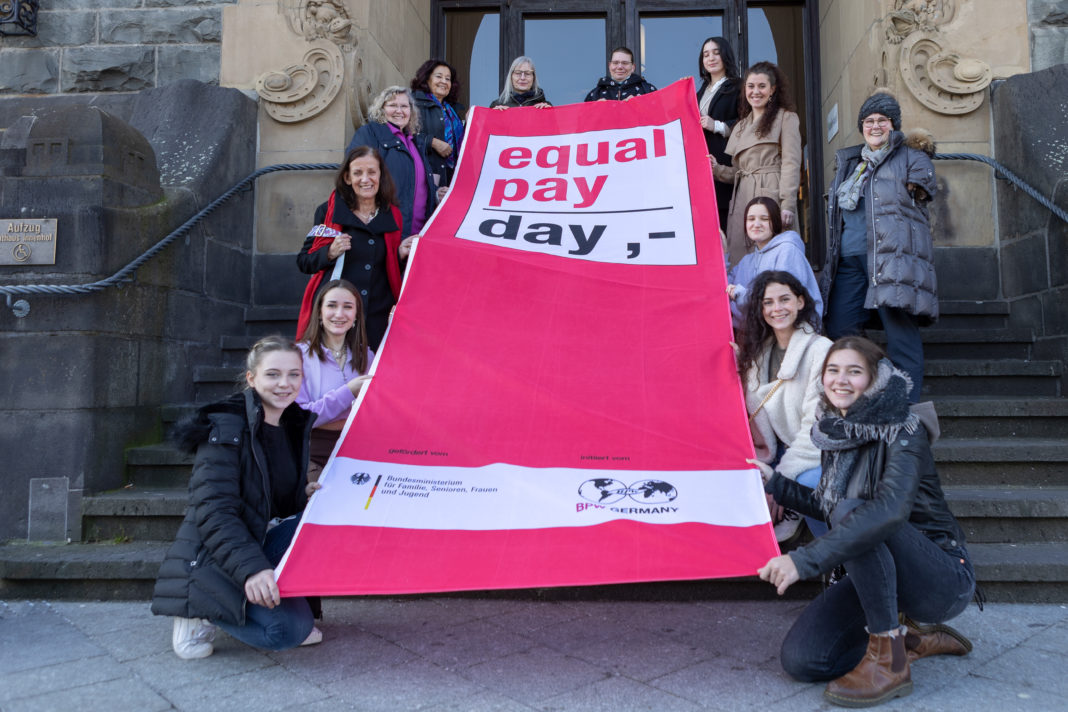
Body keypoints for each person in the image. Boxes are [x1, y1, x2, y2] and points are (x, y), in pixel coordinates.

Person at [755, 336, 974, 708]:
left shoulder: (904, 429)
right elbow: (830, 506)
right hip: (878, 570)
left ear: (875, 378)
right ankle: (914, 638)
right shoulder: (835, 433)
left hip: (940, 576)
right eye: (832, 371)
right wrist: (775, 484)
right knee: (804, 660)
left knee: (852, 513)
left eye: (854, 372)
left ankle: (889, 660)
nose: (840, 380)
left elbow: (888, 511)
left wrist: (802, 560)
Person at [151, 336, 323, 659]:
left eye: (294, 375)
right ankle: (201, 610)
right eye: (273, 374)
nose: (284, 384)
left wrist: (302, 494)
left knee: (321, 522)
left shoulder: (292, 424)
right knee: (286, 630)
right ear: (251, 378)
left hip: (258, 537)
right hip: (213, 556)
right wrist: (252, 570)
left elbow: (270, 498)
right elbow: (214, 512)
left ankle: (248, 599)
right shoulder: (226, 427)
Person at [820, 91, 938, 403]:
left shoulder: (911, 158)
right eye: (869, 121)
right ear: (861, 127)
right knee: (839, 327)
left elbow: (924, 192)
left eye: (882, 121)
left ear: (893, 126)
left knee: (901, 335)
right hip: (849, 260)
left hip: (890, 260)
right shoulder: (850, 163)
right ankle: (871, 388)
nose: (874, 126)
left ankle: (905, 406)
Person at [737, 271, 831, 542]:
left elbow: (816, 428)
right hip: (772, 453)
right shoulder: (756, 353)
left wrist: (783, 480)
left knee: (811, 484)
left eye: (784, 299)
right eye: (768, 302)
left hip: (811, 453)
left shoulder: (821, 350)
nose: (776, 309)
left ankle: (839, 559)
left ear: (801, 302)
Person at [296, 146, 407, 352]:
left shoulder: (394, 215)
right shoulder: (328, 212)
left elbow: (389, 268)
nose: (366, 179)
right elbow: (304, 261)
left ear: (380, 175)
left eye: (372, 172)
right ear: (347, 178)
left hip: (377, 319)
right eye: (358, 173)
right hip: (338, 317)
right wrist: (329, 252)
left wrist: (400, 255)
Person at [710, 61, 802, 270]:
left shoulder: (786, 118)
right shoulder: (740, 127)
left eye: (762, 86)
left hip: (771, 194)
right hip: (742, 199)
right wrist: (717, 169)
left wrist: (787, 204)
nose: (755, 92)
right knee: (741, 263)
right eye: (751, 86)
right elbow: (738, 172)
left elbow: (791, 163)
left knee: (774, 261)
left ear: (773, 90)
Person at [298, 279, 373, 479]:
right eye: (331, 305)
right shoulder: (299, 356)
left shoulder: (368, 356)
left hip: (358, 450)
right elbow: (300, 417)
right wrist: (348, 392)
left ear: (356, 315)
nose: (339, 314)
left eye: (347, 307)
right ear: (320, 312)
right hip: (313, 451)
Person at [346, 86, 439, 239]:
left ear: (411, 111)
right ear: (382, 109)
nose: (399, 111)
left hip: (418, 232)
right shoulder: (370, 133)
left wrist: (435, 191)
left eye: (404, 106)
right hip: (386, 232)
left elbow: (414, 181)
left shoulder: (415, 142)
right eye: (392, 105)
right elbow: (355, 176)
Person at [728, 197, 822, 325]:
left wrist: (741, 295)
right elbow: (720, 288)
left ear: (776, 222)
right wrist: (721, 254)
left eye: (764, 219)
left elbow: (781, 301)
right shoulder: (746, 261)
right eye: (751, 219)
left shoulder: (787, 250)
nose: (756, 224)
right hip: (757, 337)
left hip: (793, 333)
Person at [695, 36, 741, 234]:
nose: (711, 58)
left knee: (724, 221)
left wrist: (718, 126)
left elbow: (746, 122)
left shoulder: (738, 86)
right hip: (701, 165)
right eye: (706, 54)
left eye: (716, 52)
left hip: (724, 161)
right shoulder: (699, 92)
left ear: (725, 56)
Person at [410, 60, 466, 187]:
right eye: (439, 76)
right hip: (425, 176)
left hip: (451, 176)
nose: (444, 82)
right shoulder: (413, 103)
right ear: (427, 78)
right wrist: (432, 142)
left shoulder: (451, 110)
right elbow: (402, 135)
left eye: (448, 78)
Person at [584, 46, 657, 102]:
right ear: (610, 66)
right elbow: (582, 120)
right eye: (615, 63)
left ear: (633, 67)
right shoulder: (595, 95)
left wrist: (641, 106)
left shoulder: (647, 91)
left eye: (625, 63)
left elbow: (661, 116)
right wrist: (595, 110)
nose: (619, 67)